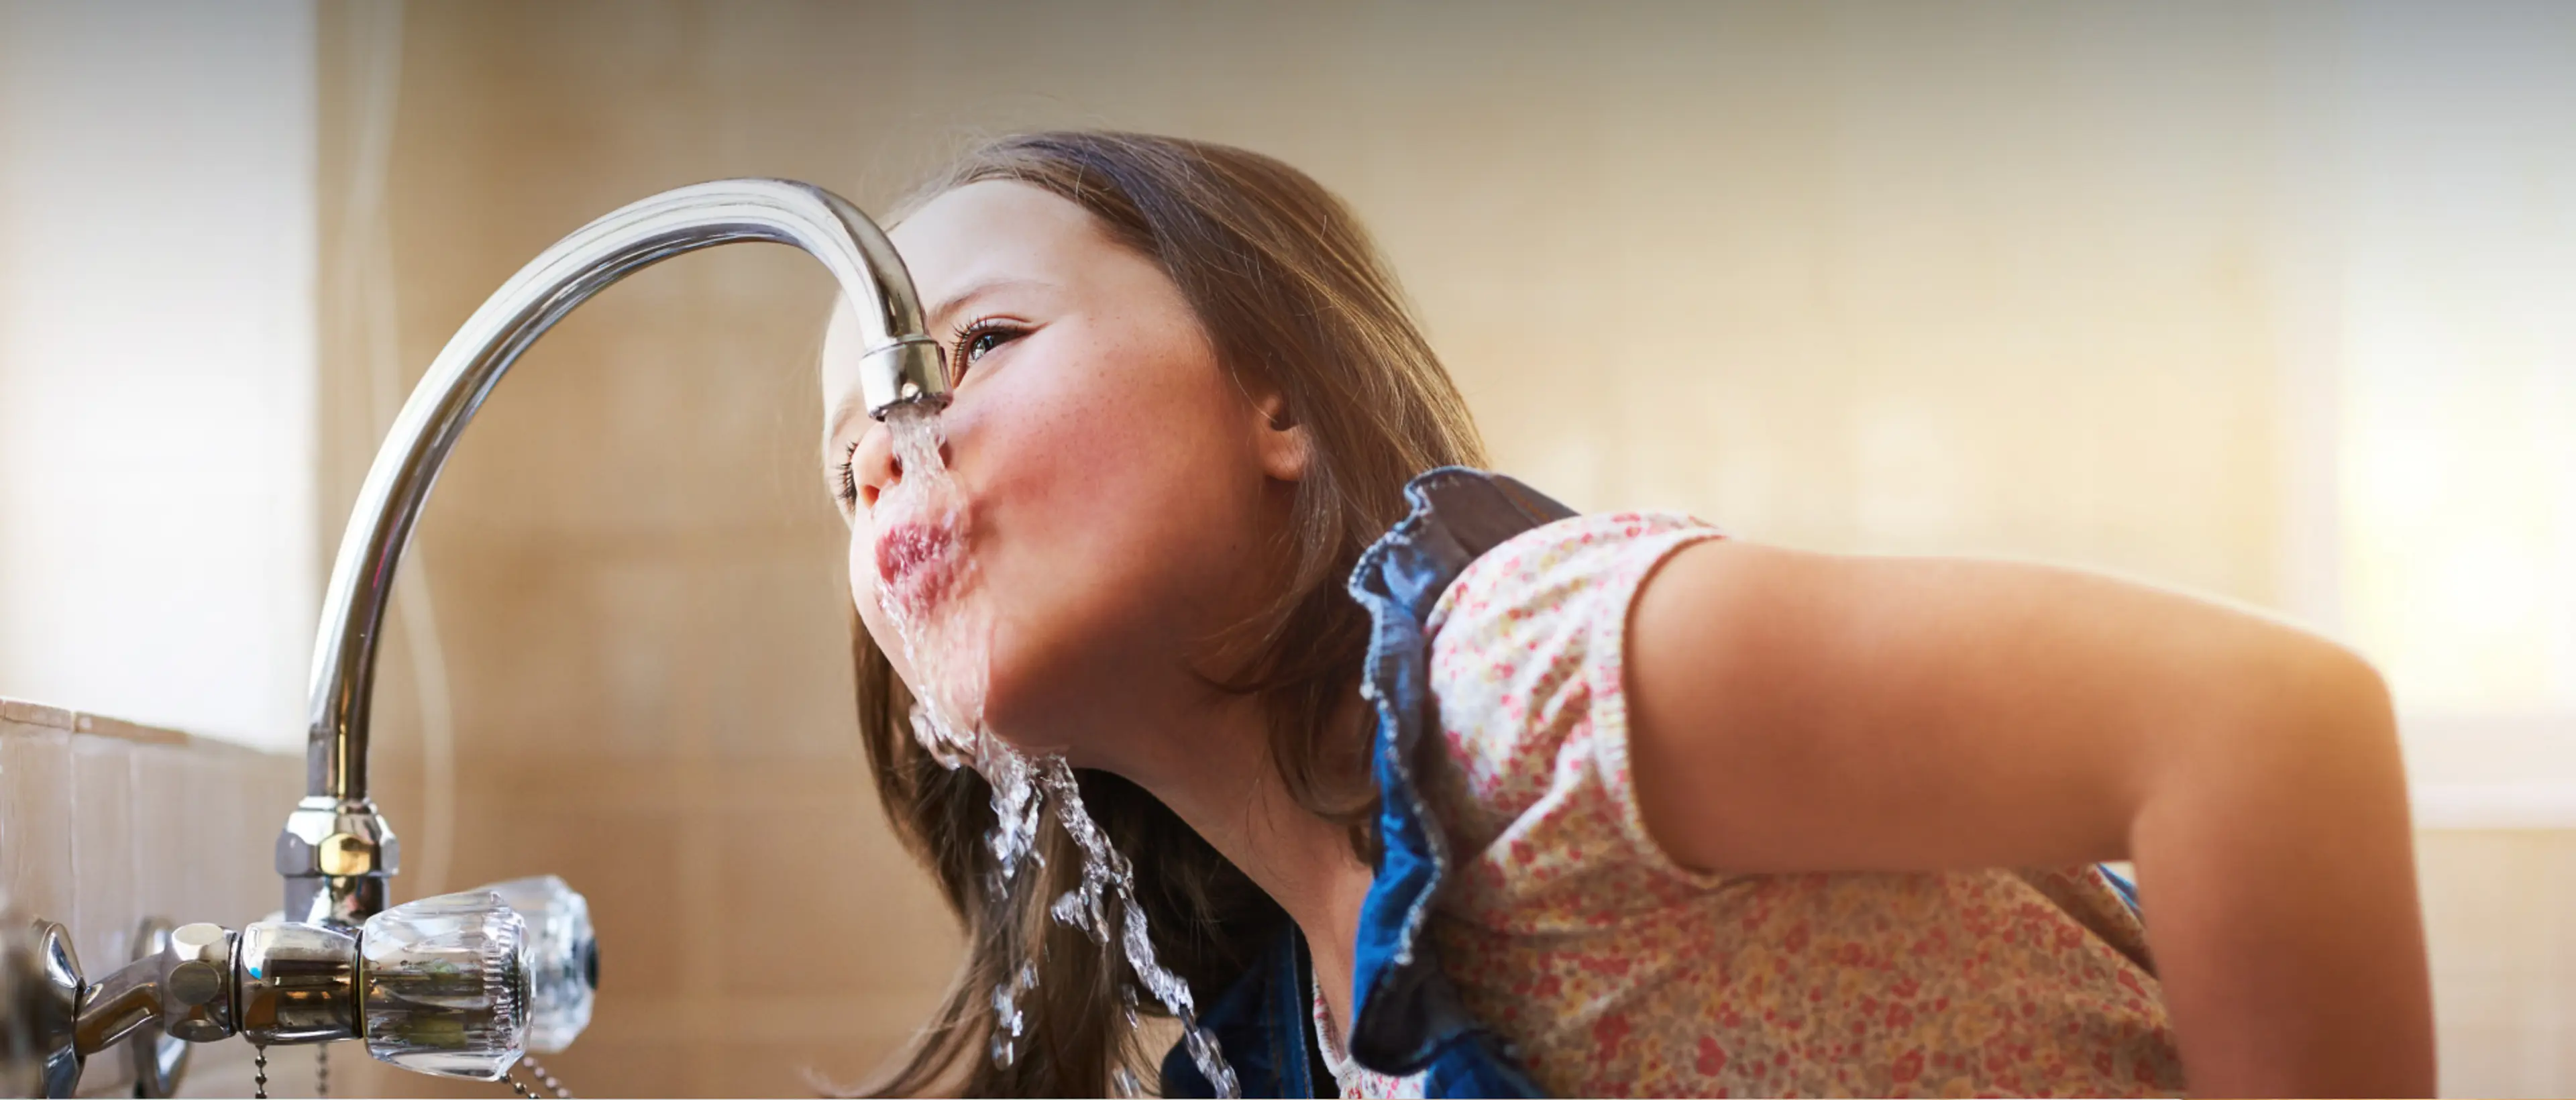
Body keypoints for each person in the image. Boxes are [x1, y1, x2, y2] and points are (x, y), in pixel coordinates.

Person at [816, 131, 2434, 1098]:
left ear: (1278, 402)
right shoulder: (1290, 1045)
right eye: (843, 473)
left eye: (972, 347)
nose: (893, 457)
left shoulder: (1526, 684)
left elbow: (2265, 728)